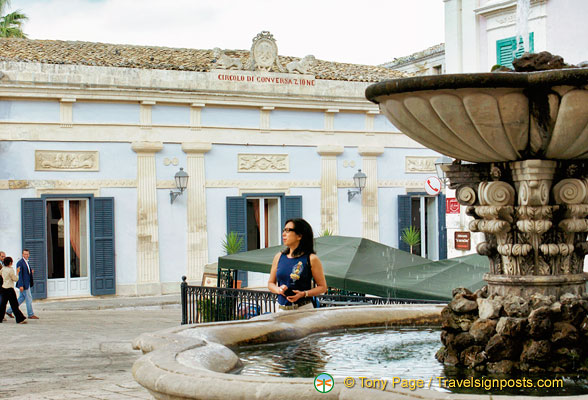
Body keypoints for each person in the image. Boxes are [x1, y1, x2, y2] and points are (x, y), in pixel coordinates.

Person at [268, 218, 327, 311]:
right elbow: (271, 283)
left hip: (303, 310)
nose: (283, 234)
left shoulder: (311, 259)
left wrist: (304, 294)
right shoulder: (279, 257)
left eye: (288, 230)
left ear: (299, 235)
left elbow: (322, 287)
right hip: (281, 310)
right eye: (284, 230)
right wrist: (279, 290)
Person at [7, 249, 38, 320]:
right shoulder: (20, 263)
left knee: (21, 299)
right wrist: (21, 285)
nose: (26, 255)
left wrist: (30, 272)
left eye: (27, 254)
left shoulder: (26, 262)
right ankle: (30, 314)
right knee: (29, 298)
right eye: (25, 254)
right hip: (24, 284)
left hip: (27, 283)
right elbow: (20, 275)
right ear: (22, 254)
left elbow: (26, 272)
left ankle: (9, 311)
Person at [0, 257, 27, 324]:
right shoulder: (10, 270)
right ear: (10, 263)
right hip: (9, 289)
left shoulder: (2, 269)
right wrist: (17, 273)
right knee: (14, 305)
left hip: (4, 288)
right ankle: (19, 319)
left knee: (3, 305)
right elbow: (15, 279)